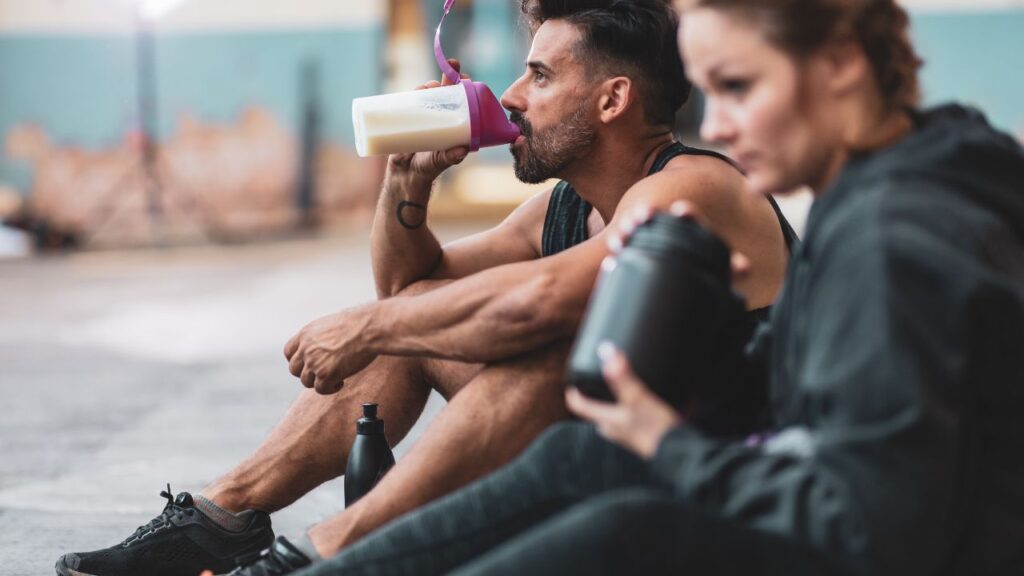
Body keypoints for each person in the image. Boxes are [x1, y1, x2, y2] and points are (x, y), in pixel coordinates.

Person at [282, 0, 1024, 575]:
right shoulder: (877, 186)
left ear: (840, 65)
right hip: (810, 500)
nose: (723, 129)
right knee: (585, 457)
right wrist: (722, 340)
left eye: (738, 87)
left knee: (624, 524)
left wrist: (670, 444)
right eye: (712, 94)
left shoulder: (896, 236)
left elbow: (874, 524)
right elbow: (826, 399)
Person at [55, 1, 796, 575]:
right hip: (605, 463)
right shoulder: (562, 206)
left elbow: (532, 303)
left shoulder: (691, 188)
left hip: (708, 482)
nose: (510, 96)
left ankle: (321, 553)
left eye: (540, 77)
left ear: (612, 100)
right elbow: (411, 292)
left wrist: (370, 326)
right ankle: (226, 513)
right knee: (418, 327)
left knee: (533, 358)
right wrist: (404, 185)